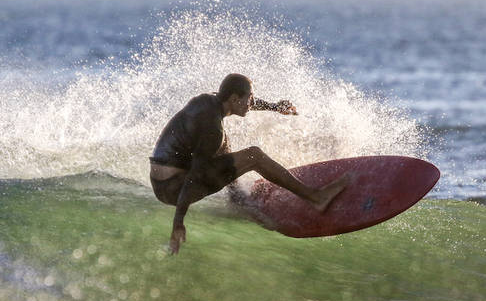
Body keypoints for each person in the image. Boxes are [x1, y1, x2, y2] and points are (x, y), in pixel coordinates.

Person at [149, 73, 349, 254]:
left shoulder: (209, 101)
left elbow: (243, 106)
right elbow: (195, 176)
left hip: (163, 179)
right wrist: (178, 222)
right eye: (249, 98)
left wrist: (274, 107)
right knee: (254, 156)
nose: (251, 103)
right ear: (235, 99)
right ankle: (316, 197)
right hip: (173, 187)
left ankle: (236, 199)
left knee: (225, 144)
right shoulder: (213, 130)